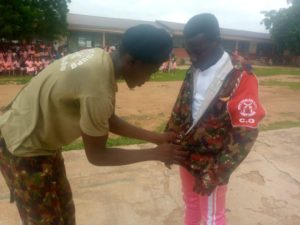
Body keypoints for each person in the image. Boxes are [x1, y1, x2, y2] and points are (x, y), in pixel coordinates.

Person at [0, 24, 188, 225]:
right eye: (150, 71)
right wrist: (155, 153)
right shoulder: (97, 86)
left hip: (40, 142)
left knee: (64, 213)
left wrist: (156, 138)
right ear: (132, 61)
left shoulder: (99, 58)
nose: (148, 79)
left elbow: (108, 119)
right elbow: (98, 156)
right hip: (22, 148)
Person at [165, 13, 265, 225]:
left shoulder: (241, 76)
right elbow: (181, 107)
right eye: (190, 51)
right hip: (187, 156)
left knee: (212, 216)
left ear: (217, 42)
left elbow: (245, 134)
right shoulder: (196, 67)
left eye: (199, 51)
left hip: (212, 163)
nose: (193, 57)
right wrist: (169, 142)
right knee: (190, 203)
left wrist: (216, 173)